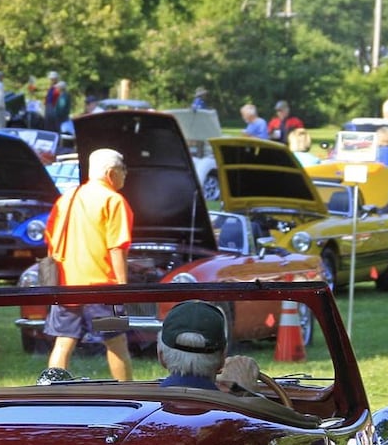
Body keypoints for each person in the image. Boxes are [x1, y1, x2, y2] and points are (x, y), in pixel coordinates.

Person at [43, 147, 134, 381]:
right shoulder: (114, 201)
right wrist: (123, 288)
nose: (126, 174)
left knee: (63, 342)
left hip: (66, 287)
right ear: (111, 172)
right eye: (123, 170)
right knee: (116, 342)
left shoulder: (67, 199)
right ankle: (128, 394)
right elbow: (117, 247)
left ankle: (50, 392)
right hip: (104, 289)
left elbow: (50, 240)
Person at [156, 299, 266, 394]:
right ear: (222, 359)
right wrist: (249, 393)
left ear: (161, 357)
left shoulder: (141, 408)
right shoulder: (232, 415)